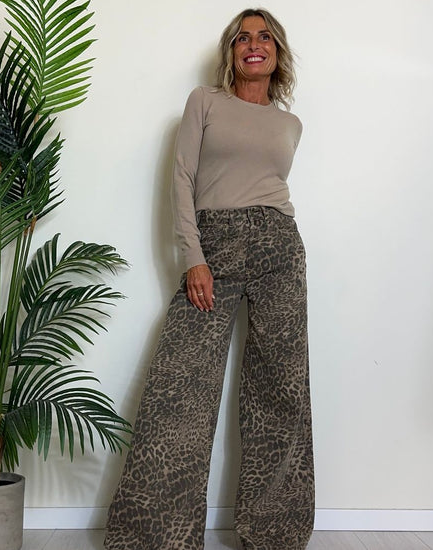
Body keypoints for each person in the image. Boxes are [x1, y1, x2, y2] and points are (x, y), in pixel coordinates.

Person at [105, 8, 314, 550]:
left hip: (279, 249)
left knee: (282, 391)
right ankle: (156, 537)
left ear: (277, 54)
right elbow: (182, 178)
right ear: (231, 51)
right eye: (242, 37)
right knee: (179, 391)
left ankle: (274, 532)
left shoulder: (290, 124)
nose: (253, 44)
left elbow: (268, 186)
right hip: (214, 248)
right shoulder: (205, 101)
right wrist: (193, 257)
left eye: (264, 37)